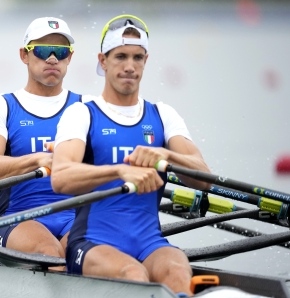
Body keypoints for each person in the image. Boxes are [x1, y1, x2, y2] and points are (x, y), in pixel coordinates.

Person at [50, 15, 211, 296]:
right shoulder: (82, 113)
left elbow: (204, 178)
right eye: (120, 56)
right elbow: (61, 177)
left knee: (177, 269)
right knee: (133, 275)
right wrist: (118, 171)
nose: (129, 66)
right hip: (92, 243)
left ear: (146, 61)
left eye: (138, 57)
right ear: (103, 61)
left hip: (150, 242)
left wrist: (166, 155)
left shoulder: (163, 115)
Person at [0, 17, 80, 259]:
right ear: (24, 55)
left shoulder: (88, 108)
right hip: (16, 217)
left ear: (69, 57)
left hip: (74, 217)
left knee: (94, 248)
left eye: (60, 52)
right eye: (42, 50)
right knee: (50, 253)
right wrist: (37, 160)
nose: (52, 58)